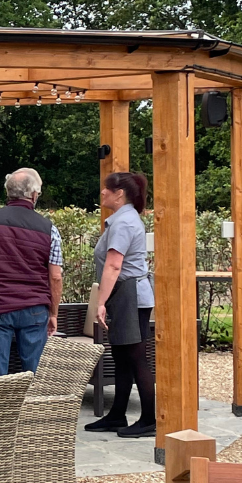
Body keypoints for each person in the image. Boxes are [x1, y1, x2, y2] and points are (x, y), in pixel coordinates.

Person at [0, 168, 63, 376]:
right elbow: (55, 276)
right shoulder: (49, 228)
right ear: (34, 194)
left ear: (8, 193)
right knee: (33, 371)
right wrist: (53, 313)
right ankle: (31, 408)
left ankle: (0, 408)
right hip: (35, 307)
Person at [84, 172, 156, 438]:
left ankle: (149, 419)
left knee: (136, 358)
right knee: (122, 357)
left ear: (119, 194)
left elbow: (114, 264)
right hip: (125, 295)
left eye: (106, 189)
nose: (102, 192)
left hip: (131, 296)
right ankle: (117, 415)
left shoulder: (124, 222)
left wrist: (100, 302)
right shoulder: (121, 220)